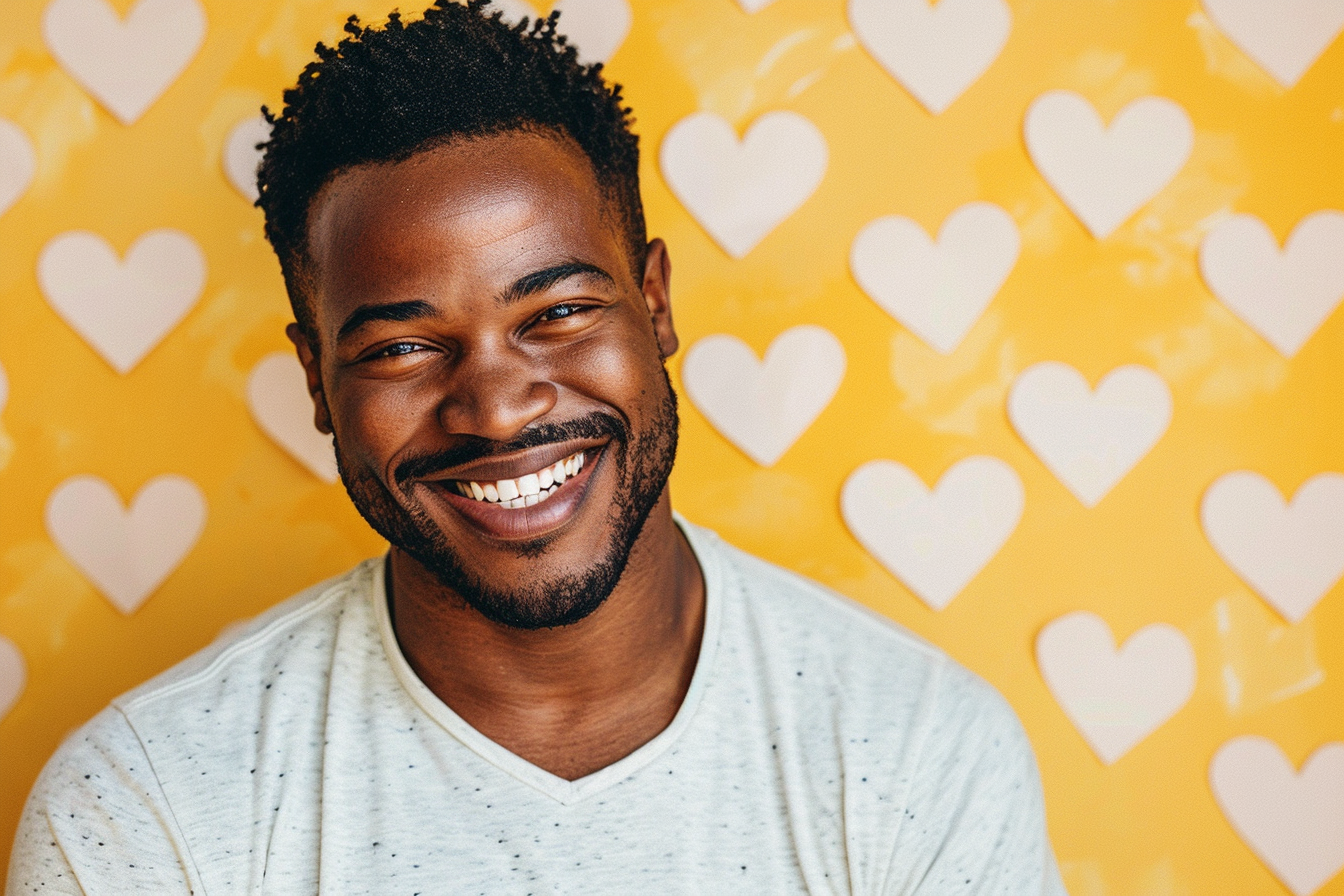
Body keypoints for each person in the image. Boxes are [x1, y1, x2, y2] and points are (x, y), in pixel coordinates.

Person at [7, 2, 1066, 892]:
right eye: (407, 345)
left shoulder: (920, 751)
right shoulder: (146, 806)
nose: (500, 409)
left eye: (556, 312)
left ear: (653, 306)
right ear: (317, 381)